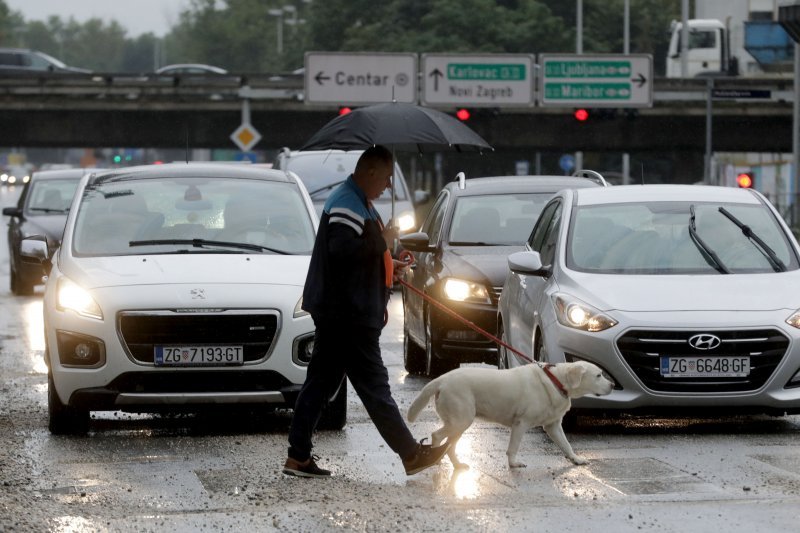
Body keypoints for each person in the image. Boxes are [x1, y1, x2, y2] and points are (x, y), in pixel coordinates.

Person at [284, 145, 450, 478]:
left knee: (318, 385)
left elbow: (358, 257)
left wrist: (391, 265)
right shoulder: (347, 203)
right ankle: (411, 454)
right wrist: (382, 240)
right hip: (348, 315)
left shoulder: (357, 201)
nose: (388, 186)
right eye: (387, 178)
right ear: (370, 172)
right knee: (374, 386)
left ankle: (297, 457)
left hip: (342, 311)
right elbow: (343, 251)